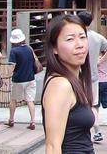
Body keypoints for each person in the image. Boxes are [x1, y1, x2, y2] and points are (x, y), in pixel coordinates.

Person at [42, 14, 94, 154]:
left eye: (83, 37)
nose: (80, 45)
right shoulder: (60, 85)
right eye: (70, 39)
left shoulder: (75, 80)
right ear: (54, 48)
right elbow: (52, 146)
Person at [76, 11, 107, 143]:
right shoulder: (97, 37)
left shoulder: (77, 37)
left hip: (78, 76)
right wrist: (100, 60)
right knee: (93, 105)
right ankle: (97, 131)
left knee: (76, 103)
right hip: (93, 76)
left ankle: (78, 129)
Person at [7, 28, 38, 130]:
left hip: (18, 79)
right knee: (30, 101)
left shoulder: (14, 51)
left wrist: (8, 75)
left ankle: (11, 120)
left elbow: (12, 66)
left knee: (14, 100)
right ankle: (33, 121)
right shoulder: (29, 49)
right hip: (30, 78)